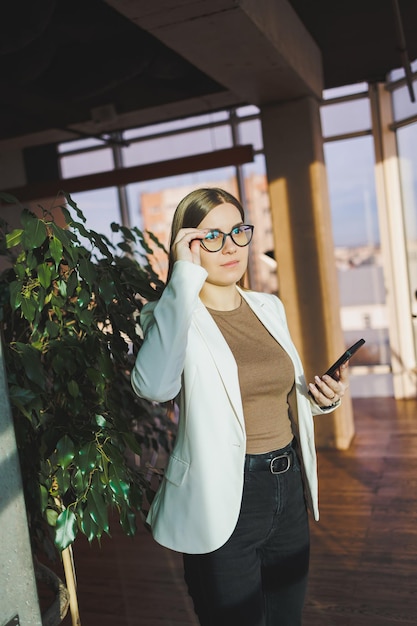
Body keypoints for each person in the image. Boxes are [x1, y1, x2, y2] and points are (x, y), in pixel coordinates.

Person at [131, 187, 349, 626]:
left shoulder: (268, 306)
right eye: (211, 236)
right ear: (187, 245)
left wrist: (321, 399)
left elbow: (277, 392)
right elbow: (153, 386)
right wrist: (183, 278)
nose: (230, 246)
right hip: (223, 496)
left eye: (237, 231)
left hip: (287, 490)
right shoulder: (170, 316)